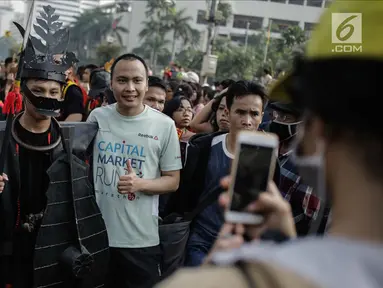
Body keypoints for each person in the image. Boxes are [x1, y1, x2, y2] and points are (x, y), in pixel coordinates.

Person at [156, 1, 383, 287]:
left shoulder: (234, 280)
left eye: (297, 114)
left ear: (318, 130)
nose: (249, 120)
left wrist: (218, 274)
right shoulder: (204, 147)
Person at [0, 8, 109, 288]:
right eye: (38, 91)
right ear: (23, 91)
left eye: (53, 92)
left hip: (53, 252)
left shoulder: (74, 141)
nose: (46, 98)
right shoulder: (1, 136)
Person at [87, 53, 182, 288]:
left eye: (137, 80)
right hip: (96, 236)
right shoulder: (97, 118)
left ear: (146, 84)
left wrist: (140, 184)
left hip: (141, 240)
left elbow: (173, 181)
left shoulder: (164, 125)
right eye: (122, 80)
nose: (130, 88)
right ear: (111, 84)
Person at [165, 81, 279, 267]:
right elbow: (182, 195)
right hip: (199, 242)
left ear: (262, 117)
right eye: (241, 112)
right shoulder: (204, 147)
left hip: (239, 248)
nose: (247, 120)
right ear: (227, 112)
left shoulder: (267, 158)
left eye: (254, 114)